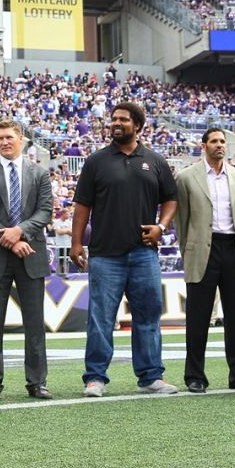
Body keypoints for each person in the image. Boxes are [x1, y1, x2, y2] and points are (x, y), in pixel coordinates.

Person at [70, 101, 179, 398]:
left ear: (138, 126)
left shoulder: (155, 161)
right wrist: (76, 242)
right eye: (114, 119)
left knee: (147, 315)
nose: (116, 123)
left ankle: (150, 376)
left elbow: (171, 198)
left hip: (144, 253)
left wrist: (162, 226)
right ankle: (95, 378)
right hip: (105, 254)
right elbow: (82, 206)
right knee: (101, 318)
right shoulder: (96, 161)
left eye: (123, 120)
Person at [0, 120, 54, 401]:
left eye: (9, 137)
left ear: (22, 139)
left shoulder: (39, 173)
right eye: (0, 138)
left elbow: (45, 212)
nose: (4, 142)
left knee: (34, 322)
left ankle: (37, 382)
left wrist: (20, 232)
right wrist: (12, 240)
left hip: (30, 254)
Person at [174, 128, 235, 393]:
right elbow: (181, 221)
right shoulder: (186, 177)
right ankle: (195, 376)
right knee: (198, 317)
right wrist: (188, 250)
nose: (220, 145)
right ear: (204, 145)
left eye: (223, 141)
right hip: (201, 248)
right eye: (214, 141)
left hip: (232, 247)